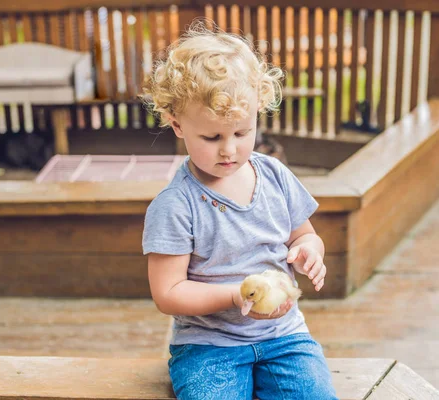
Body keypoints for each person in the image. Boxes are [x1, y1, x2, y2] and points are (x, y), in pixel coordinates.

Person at [141, 22, 338, 400]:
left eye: (242, 133)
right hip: (208, 347)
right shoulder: (175, 205)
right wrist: (236, 296)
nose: (229, 150)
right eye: (212, 137)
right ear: (177, 124)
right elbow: (168, 293)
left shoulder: (274, 176)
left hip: (284, 337)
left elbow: (304, 234)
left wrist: (309, 252)